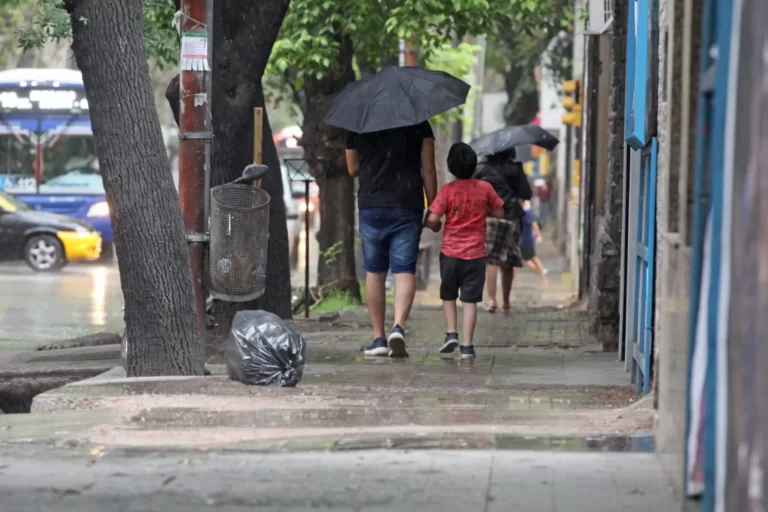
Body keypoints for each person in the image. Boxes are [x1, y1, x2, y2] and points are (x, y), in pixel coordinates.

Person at [346, 121, 437, 358]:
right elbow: (428, 168)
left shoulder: (359, 122)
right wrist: (435, 207)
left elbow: (352, 169)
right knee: (404, 269)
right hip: (407, 203)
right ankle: (398, 327)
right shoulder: (419, 123)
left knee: (374, 270)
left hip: (371, 205)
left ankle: (378, 338)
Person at [424, 143, 504, 360]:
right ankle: (467, 347)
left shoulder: (447, 191)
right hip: (476, 256)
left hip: (450, 255)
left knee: (448, 295)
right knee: (470, 301)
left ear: (451, 167)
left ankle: (451, 333)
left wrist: (432, 225)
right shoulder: (485, 188)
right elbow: (499, 211)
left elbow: (432, 218)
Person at [475, 149, 533, 313]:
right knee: (508, 258)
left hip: (488, 216)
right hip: (511, 216)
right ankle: (506, 301)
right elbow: (526, 194)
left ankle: (491, 300)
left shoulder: (480, 169)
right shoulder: (515, 169)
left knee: (491, 258)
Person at [519, 200, 548, 284]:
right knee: (529, 258)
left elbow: (534, 225)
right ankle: (542, 274)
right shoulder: (522, 213)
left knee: (531, 258)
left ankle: (542, 275)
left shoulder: (527, 212)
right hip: (523, 240)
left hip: (526, 240)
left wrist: (538, 235)